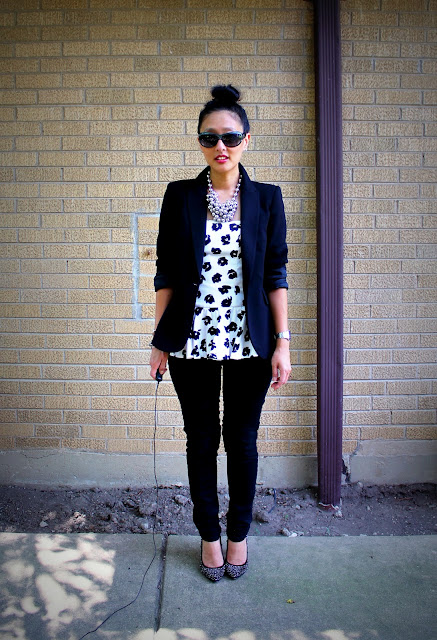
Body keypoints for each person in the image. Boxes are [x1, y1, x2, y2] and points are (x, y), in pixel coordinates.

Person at [150, 85, 291, 581]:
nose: (220, 146)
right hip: (191, 341)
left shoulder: (267, 199)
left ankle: (239, 536)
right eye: (210, 138)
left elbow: (275, 274)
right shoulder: (180, 196)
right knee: (201, 440)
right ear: (200, 142)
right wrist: (159, 341)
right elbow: (167, 271)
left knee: (243, 441)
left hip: (251, 342)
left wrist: (283, 343)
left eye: (230, 137)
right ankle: (209, 537)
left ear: (246, 140)